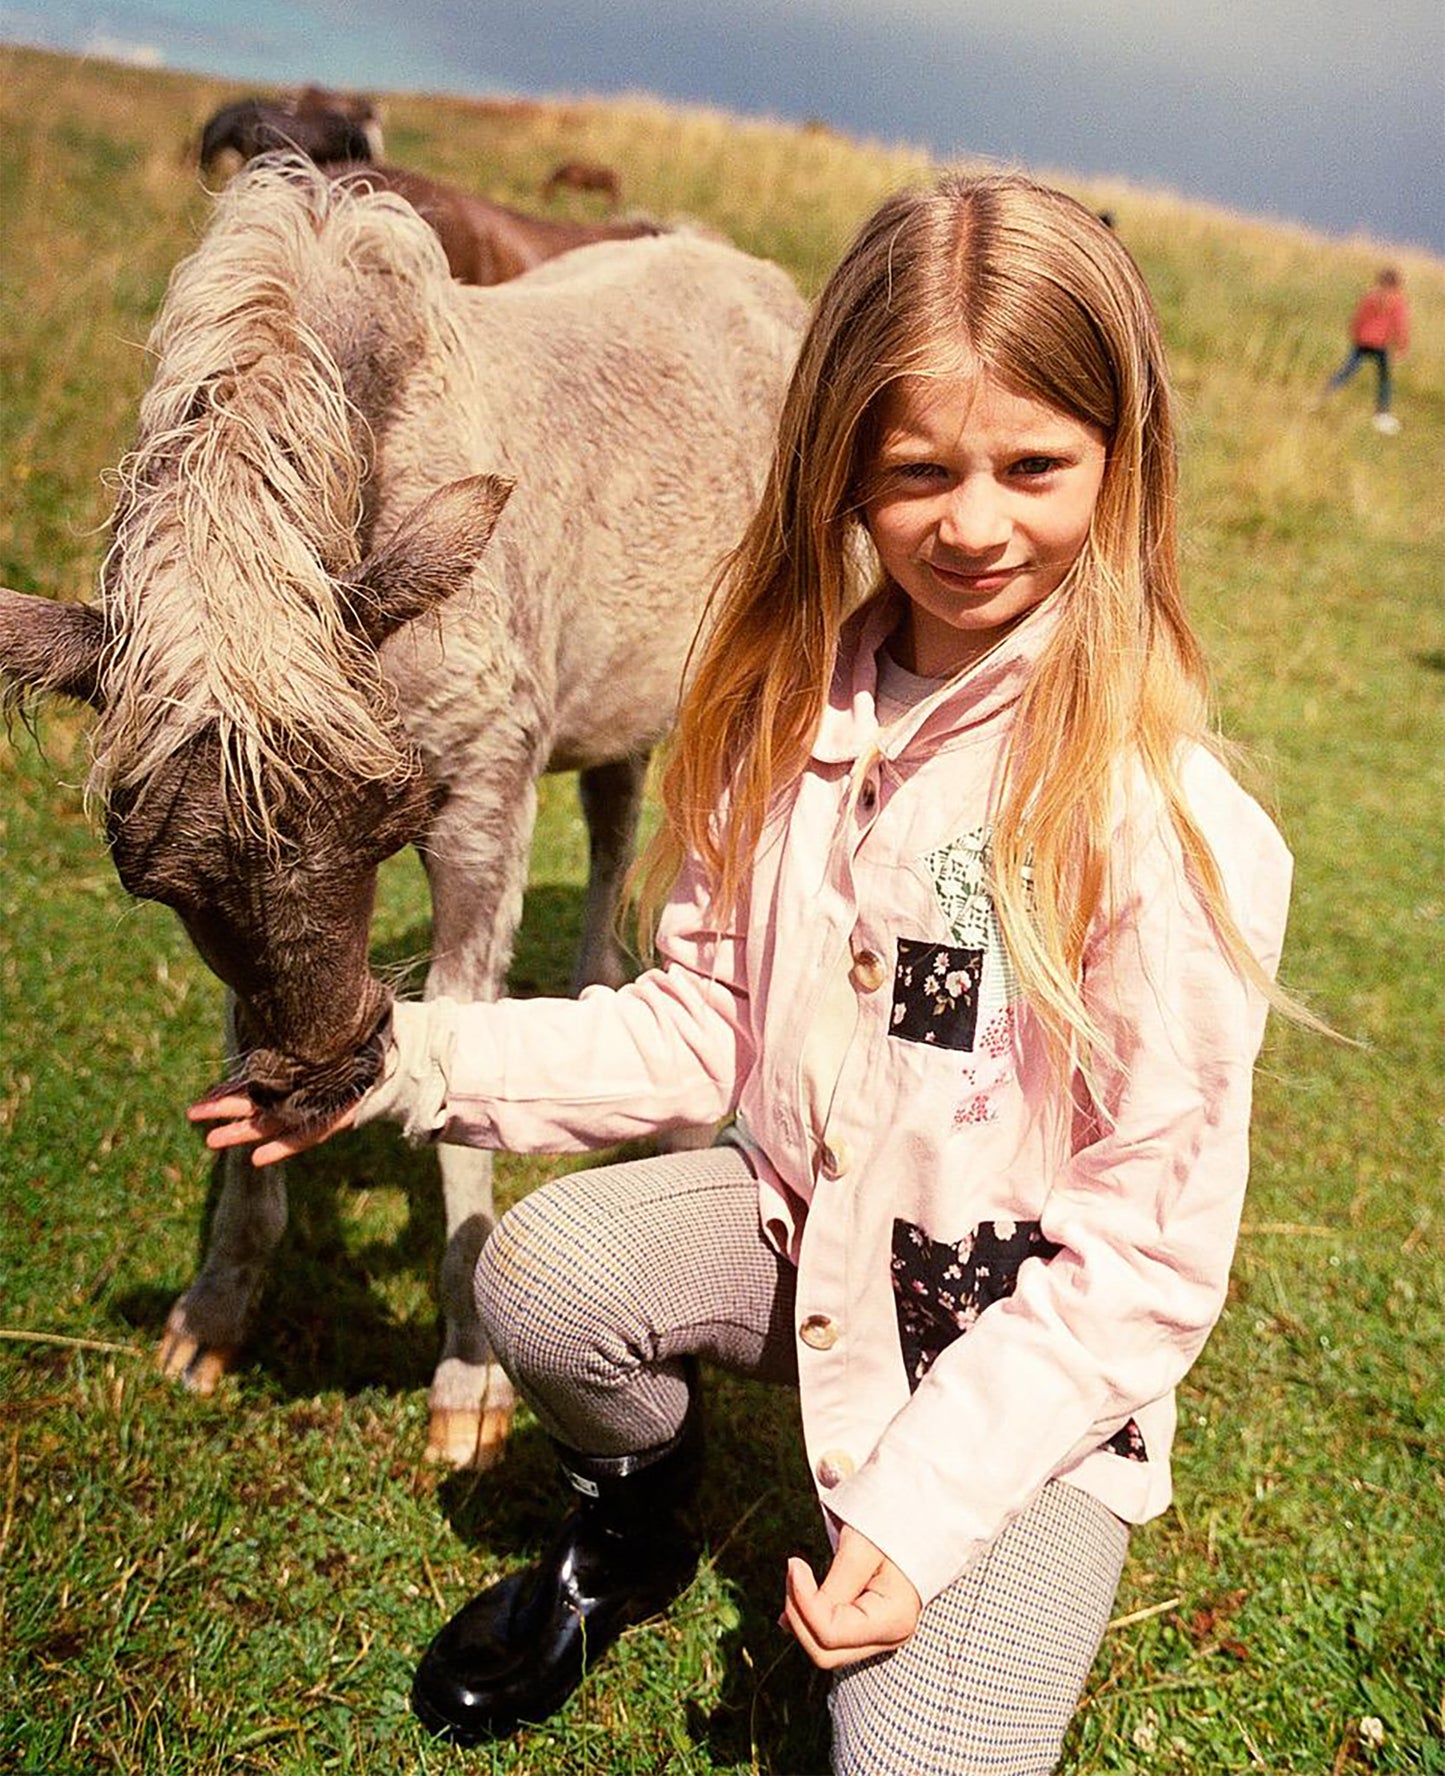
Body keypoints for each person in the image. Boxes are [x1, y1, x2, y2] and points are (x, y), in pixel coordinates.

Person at [192, 171, 1300, 1775]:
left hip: (1026, 1361)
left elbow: (1142, 1257)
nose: (973, 522)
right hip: (808, 1229)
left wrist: (918, 1518)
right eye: (916, 469)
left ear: (1122, 466)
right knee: (545, 1282)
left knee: (907, 1757)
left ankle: (959, 1564)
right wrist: (402, 1060)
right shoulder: (781, 724)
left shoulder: (1160, 818)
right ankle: (636, 1522)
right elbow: (697, 1022)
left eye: (1035, 466)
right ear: (836, 464)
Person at [1324, 266, 1411, 433]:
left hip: (1362, 341)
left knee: (1346, 371)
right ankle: (1382, 414)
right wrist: (1402, 348)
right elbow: (1401, 326)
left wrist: (1355, 336)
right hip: (1381, 346)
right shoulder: (1398, 301)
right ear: (1397, 284)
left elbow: (1358, 317)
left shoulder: (1370, 296)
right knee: (1384, 379)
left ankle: (1325, 397)